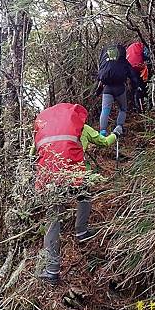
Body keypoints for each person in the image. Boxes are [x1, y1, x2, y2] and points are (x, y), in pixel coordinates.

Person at [32, 102, 123, 285]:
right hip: (74, 176)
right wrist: (116, 133)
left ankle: (51, 271)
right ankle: (81, 231)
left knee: (53, 221)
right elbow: (104, 142)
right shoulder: (82, 127)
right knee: (84, 194)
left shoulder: (43, 130)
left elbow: (34, 152)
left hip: (50, 179)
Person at [95, 43, 139, 136]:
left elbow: (99, 77)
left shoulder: (105, 62)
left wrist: (97, 91)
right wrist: (136, 86)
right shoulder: (123, 61)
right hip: (120, 88)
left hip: (107, 88)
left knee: (105, 110)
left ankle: (102, 132)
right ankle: (118, 128)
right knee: (123, 109)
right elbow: (132, 74)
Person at [126, 41, 151, 110]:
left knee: (135, 87)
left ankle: (137, 107)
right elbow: (147, 56)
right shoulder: (142, 45)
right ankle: (146, 105)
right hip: (138, 67)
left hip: (129, 68)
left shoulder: (128, 48)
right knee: (143, 85)